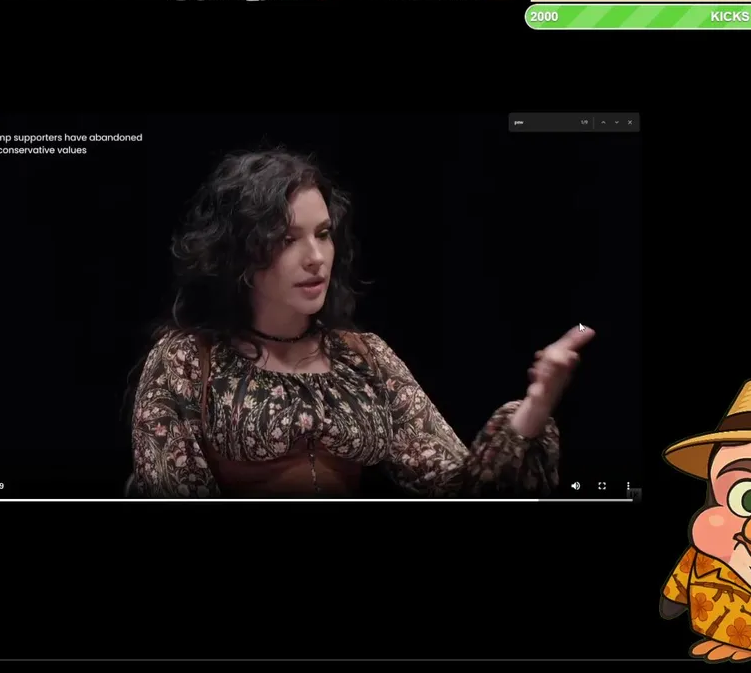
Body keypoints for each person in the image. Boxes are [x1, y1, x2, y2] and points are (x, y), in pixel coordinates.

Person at [128, 149, 594, 497]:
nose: (316, 257)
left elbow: (462, 491)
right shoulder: (186, 360)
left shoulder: (362, 357)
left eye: (323, 234)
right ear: (239, 254)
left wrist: (535, 406)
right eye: (287, 239)